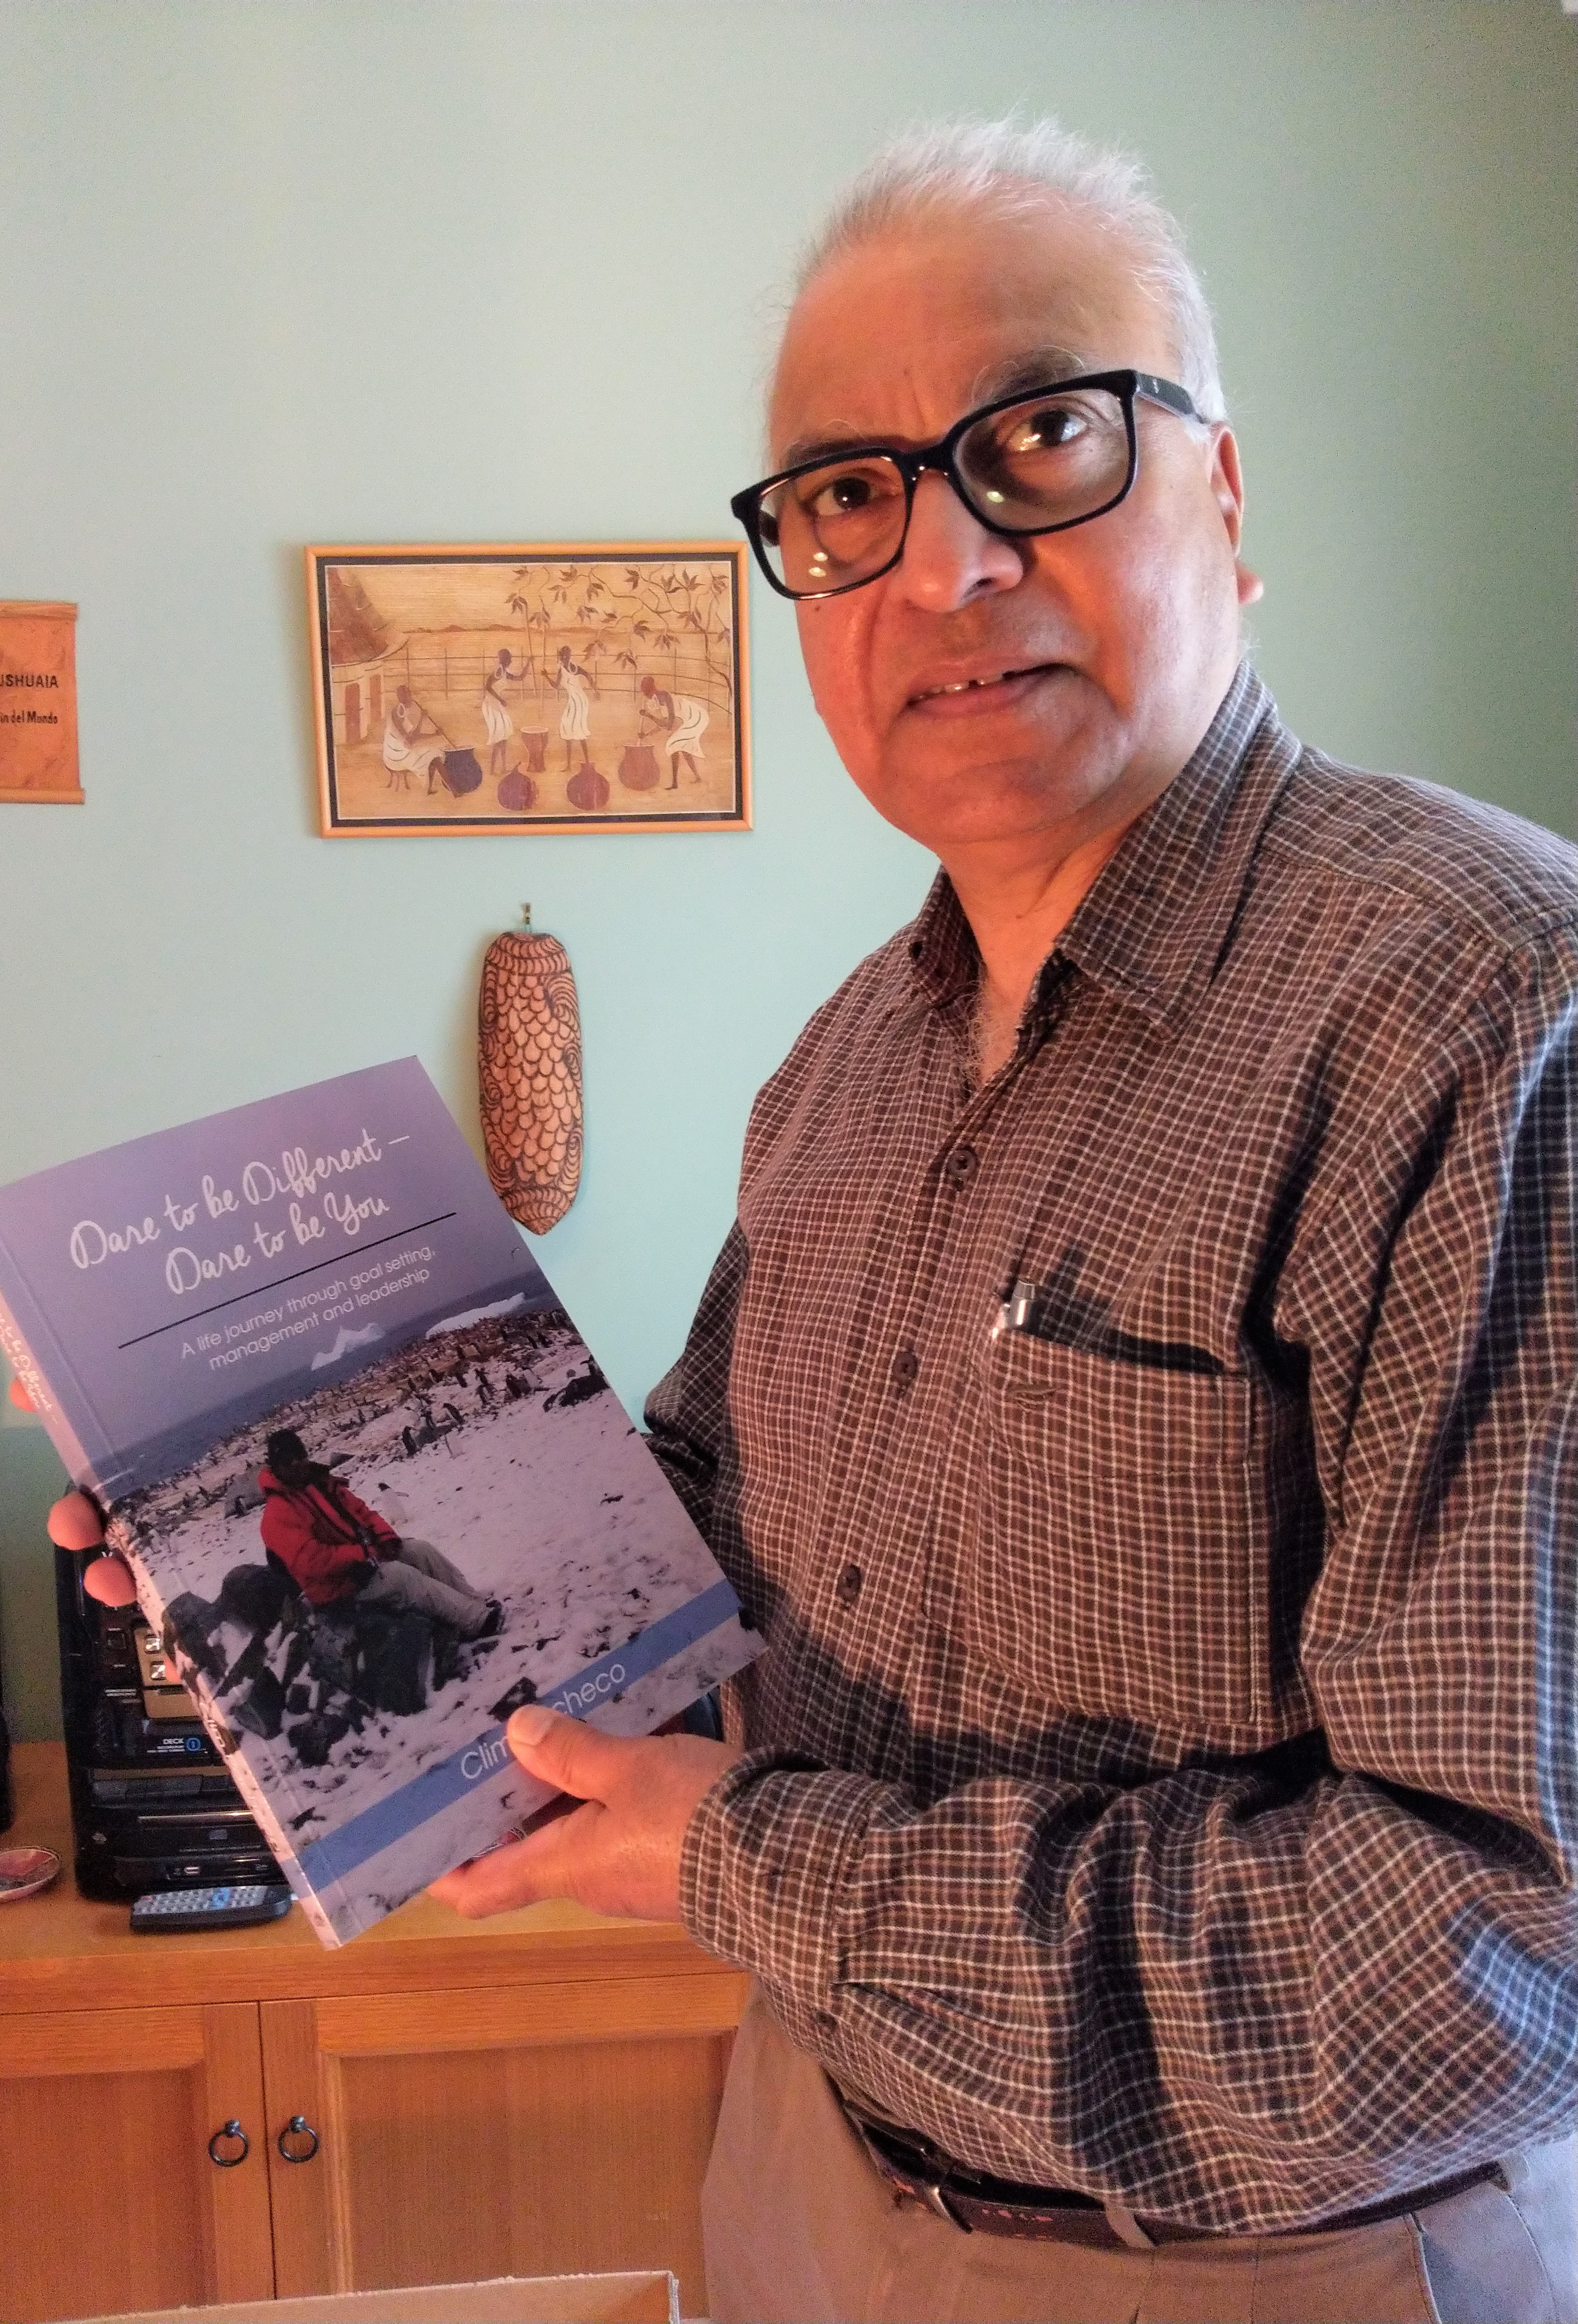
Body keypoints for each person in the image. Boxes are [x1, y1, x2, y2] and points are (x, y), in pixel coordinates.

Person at [431, 118, 1578, 2324]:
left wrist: (752, 1864)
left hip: (1262, 2269)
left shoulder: (1492, 1012)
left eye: (1041, 438)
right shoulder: (847, 1060)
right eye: (847, 496)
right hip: (810, 2179)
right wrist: (278, 1520)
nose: (942, 568)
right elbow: (699, 1553)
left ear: (1225, 498)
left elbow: (1496, 1957)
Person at [258, 1428, 500, 1638]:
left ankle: (474, 1602)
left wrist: (385, 1538)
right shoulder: (277, 1515)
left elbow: (363, 1512)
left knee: (420, 1550)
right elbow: (311, 1561)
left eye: (299, 1457)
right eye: (287, 1462)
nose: (296, 1465)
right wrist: (361, 1555)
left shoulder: (320, 1484)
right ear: (276, 1468)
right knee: (403, 1578)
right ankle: (476, 1621)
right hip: (339, 1586)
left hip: (367, 1558)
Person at [637, 672, 709, 787]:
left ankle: (680, 781)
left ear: (651, 689)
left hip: (683, 723)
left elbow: (668, 724)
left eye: (646, 691)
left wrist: (649, 716)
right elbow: (663, 724)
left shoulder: (665, 696)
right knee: (682, 752)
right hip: (677, 726)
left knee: (678, 749)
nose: (646, 695)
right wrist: (646, 734)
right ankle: (688, 779)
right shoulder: (657, 701)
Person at [480, 646, 530, 782]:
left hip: (496, 704)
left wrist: (528, 663)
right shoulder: (498, 671)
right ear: (505, 659)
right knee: (498, 736)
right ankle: (492, 769)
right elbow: (488, 687)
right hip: (491, 705)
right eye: (510, 658)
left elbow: (521, 677)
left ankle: (503, 767)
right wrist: (500, 699)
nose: (511, 661)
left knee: (504, 736)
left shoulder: (504, 672)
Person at [549, 642, 596, 770]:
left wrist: (546, 676)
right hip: (575, 700)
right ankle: (570, 764)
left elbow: (556, 686)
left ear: (568, 657)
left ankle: (586, 762)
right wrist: (595, 690)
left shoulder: (572, 668)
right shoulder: (569, 668)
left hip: (579, 701)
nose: (565, 658)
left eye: (567, 656)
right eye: (564, 656)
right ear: (561, 657)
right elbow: (588, 676)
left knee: (577, 729)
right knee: (567, 727)